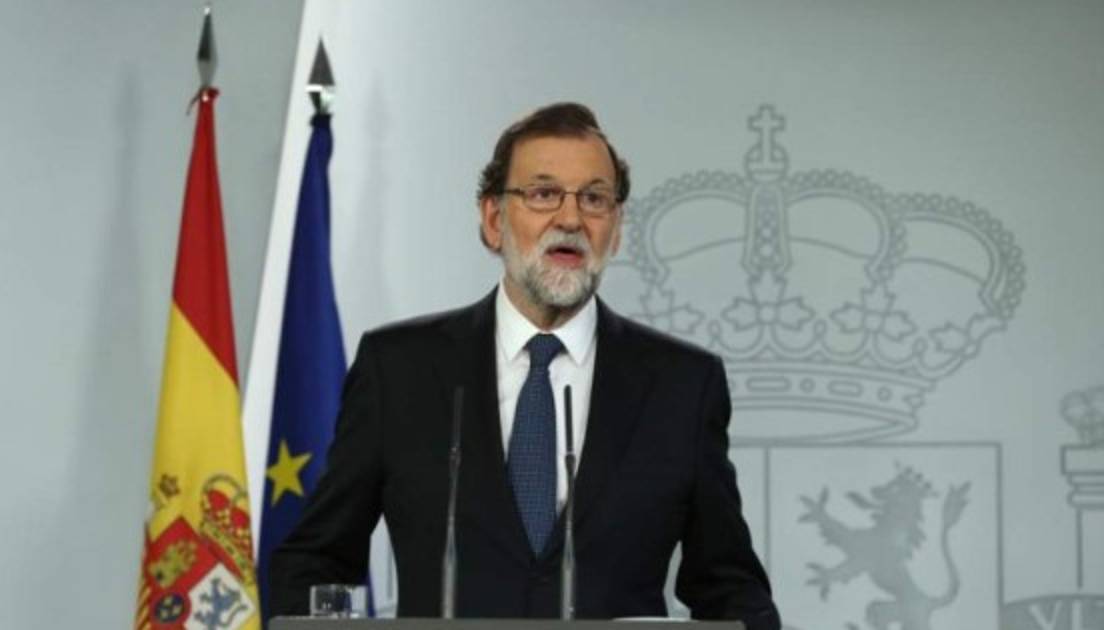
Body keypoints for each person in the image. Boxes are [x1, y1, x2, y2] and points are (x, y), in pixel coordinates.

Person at [269, 103, 780, 629]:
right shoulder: (400, 370)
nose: (571, 219)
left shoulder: (682, 385)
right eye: (543, 194)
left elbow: (730, 586)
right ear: (494, 220)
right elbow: (313, 560)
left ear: (617, 228)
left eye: (594, 199)